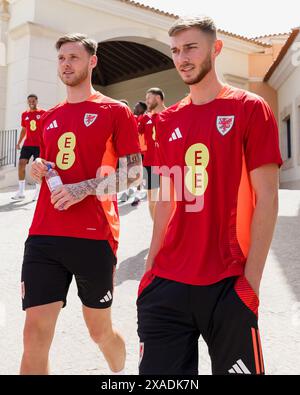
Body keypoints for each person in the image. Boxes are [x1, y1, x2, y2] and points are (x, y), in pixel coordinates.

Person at [137, 16, 282, 375]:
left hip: (228, 284)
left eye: (190, 48)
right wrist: (149, 271)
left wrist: (251, 283)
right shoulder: (167, 120)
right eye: (175, 51)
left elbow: (268, 199)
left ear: (215, 49)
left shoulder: (249, 108)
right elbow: (167, 200)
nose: (181, 58)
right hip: (167, 284)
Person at [20, 33, 142, 375]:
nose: (66, 64)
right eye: (61, 58)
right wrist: (33, 170)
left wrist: (83, 188)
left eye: (73, 57)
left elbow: (133, 175)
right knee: (34, 333)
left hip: (94, 235)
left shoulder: (115, 111)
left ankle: (120, 372)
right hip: (44, 235)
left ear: (92, 61)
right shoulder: (49, 117)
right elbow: (44, 170)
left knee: (98, 331)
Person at [138, 88, 166, 219]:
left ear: (158, 98)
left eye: (149, 98)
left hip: (168, 163)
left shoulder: (171, 114)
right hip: (150, 164)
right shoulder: (145, 118)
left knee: (169, 199)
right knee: (152, 201)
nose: (146, 101)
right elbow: (133, 133)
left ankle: (171, 231)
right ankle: (157, 231)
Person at [12, 94, 46, 201]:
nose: (31, 102)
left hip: (39, 145)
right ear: (28, 102)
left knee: (37, 168)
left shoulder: (43, 113)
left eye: (33, 100)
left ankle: (38, 191)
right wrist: (19, 142)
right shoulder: (24, 114)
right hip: (27, 144)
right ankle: (21, 192)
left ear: (37, 101)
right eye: (29, 101)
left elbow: (47, 128)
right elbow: (24, 130)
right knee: (21, 164)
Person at [131, 101, 147, 206]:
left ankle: (137, 196)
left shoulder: (145, 118)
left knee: (140, 174)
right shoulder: (135, 118)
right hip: (135, 151)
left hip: (144, 151)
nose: (134, 108)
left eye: (136, 107)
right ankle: (139, 193)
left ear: (141, 109)